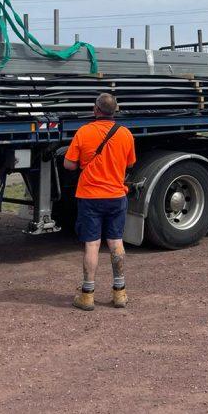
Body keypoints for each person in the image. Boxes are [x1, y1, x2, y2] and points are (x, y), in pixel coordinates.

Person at [63, 93, 136, 311]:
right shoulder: (125, 134)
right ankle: (120, 293)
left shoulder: (84, 132)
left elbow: (69, 165)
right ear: (115, 110)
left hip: (90, 196)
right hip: (116, 195)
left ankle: (87, 295)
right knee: (116, 242)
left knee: (92, 244)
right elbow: (130, 163)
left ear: (95, 110)